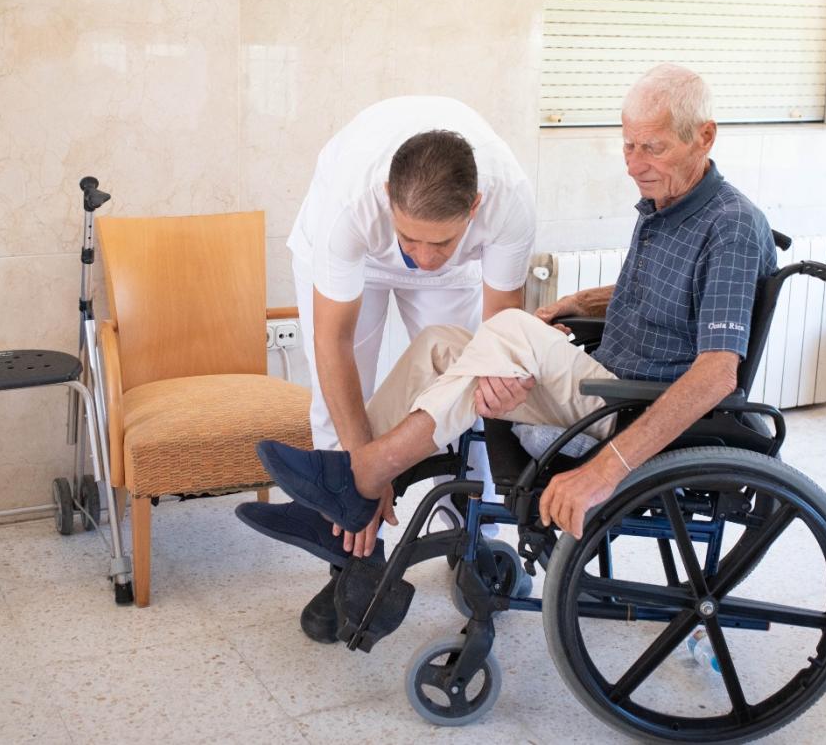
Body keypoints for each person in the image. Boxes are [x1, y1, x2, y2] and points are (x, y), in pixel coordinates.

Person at [250, 63, 777, 551]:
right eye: (629, 145)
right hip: (601, 384)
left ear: (704, 136)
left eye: (653, 148)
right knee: (440, 343)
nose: (635, 165)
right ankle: (342, 496)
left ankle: (359, 478)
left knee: (507, 329)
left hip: (631, 404)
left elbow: (716, 374)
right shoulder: (666, 205)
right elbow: (674, 296)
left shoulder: (729, 226)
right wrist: (578, 302)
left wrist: (607, 467)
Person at [240, 95, 535, 643]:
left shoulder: (510, 201)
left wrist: (443, 256)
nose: (422, 257)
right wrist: (364, 466)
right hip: (357, 259)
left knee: (465, 389)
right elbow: (333, 342)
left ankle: (471, 540)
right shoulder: (349, 208)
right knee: (341, 409)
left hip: (460, 275)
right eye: (411, 239)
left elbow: (499, 339)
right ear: (385, 200)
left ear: (474, 206)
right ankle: (349, 560)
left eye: (438, 241)